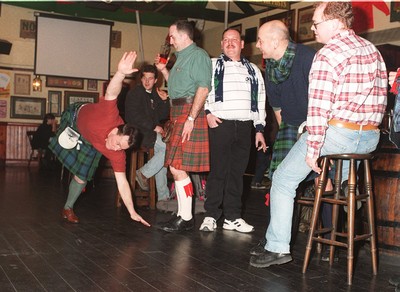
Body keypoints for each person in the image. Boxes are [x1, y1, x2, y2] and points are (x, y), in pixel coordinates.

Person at [249, 1, 387, 268]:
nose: (312, 28)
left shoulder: (327, 54)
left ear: (335, 23)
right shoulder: (372, 50)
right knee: (337, 181)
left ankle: (278, 247)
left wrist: (313, 151)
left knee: (283, 179)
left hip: (337, 135)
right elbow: (382, 103)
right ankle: (347, 191)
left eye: (316, 22)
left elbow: (318, 111)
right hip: (369, 139)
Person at [251, 20, 336, 261]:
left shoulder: (309, 57)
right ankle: (274, 239)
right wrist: (287, 134)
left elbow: (326, 98)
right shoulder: (270, 67)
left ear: (276, 41)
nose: (257, 45)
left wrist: (314, 133)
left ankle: (331, 245)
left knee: (324, 180)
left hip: (318, 126)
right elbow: (277, 108)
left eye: (260, 40)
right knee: (279, 180)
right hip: (291, 127)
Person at [49, 51, 150, 227]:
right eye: (118, 144)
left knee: (82, 176)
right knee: (58, 144)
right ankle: (64, 141)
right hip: (75, 119)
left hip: (90, 141)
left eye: (122, 149)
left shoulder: (118, 154)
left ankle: (67, 208)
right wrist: (120, 73)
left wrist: (132, 211)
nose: (117, 149)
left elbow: (123, 183)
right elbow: (112, 91)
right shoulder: (109, 114)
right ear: (116, 131)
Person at [199, 27, 267, 233]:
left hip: (245, 126)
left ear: (242, 44)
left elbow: (261, 100)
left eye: (234, 40)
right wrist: (207, 113)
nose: (230, 43)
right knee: (218, 172)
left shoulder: (253, 70)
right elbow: (200, 91)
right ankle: (210, 215)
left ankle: (232, 217)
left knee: (237, 174)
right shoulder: (211, 65)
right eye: (226, 39)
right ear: (221, 44)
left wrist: (259, 129)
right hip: (220, 124)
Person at [155, 20, 212, 232]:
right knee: (175, 167)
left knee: (177, 167)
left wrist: (190, 118)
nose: (169, 40)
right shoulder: (181, 58)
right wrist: (163, 70)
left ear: (184, 36)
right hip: (177, 112)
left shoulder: (198, 56)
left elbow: (203, 89)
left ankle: (186, 218)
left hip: (188, 114)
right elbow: (178, 88)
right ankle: (182, 214)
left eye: (172, 35)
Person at [124, 64, 171, 209]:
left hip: (151, 133)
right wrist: (153, 126)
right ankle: (143, 174)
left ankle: (163, 199)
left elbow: (163, 115)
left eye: (150, 78)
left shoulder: (155, 94)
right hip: (137, 133)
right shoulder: (135, 93)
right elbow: (133, 116)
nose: (147, 81)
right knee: (167, 150)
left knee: (163, 154)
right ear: (141, 78)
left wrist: (164, 101)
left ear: (156, 80)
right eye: (144, 78)